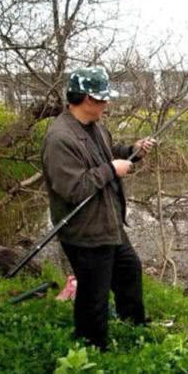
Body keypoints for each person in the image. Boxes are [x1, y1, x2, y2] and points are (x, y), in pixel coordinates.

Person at [41, 66, 156, 351]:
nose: (107, 103)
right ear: (86, 99)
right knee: (94, 294)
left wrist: (134, 150)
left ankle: (134, 326)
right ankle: (92, 347)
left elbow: (111, 152)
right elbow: (73, 188)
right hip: (85, 231)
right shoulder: (60, 138)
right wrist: (111, 170)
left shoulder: (96, 127)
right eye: (103, 99)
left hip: (109, 222)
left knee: (129, 270)